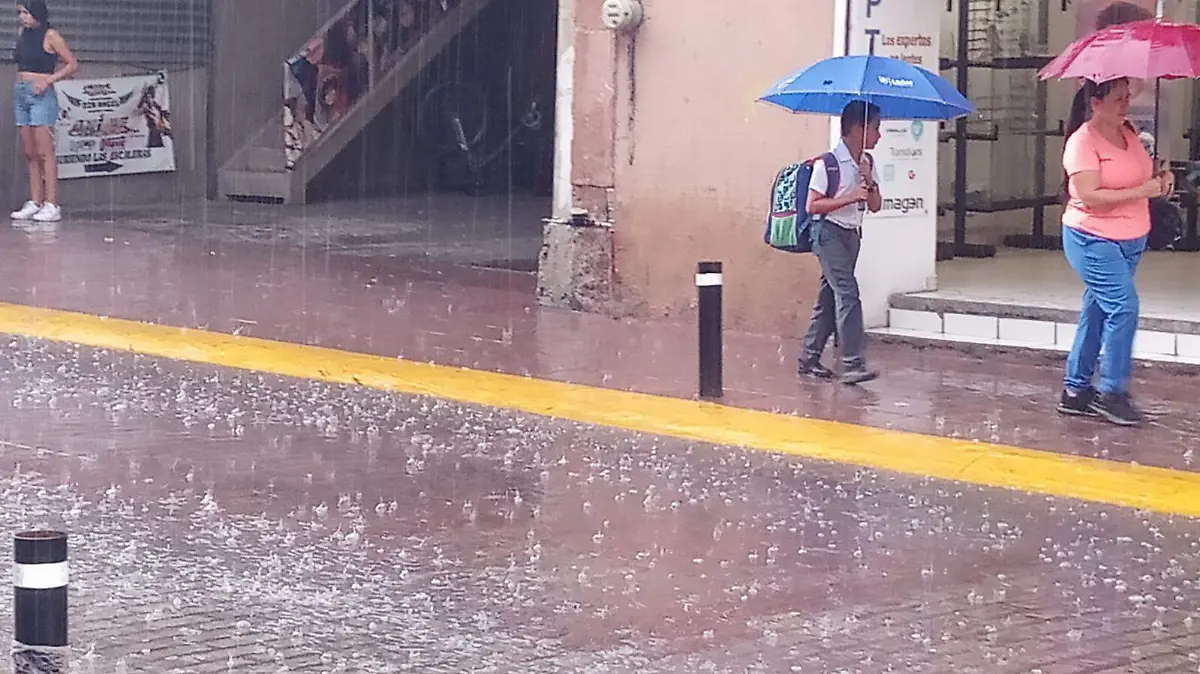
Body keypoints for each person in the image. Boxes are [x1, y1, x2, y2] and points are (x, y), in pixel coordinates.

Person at [1057, 77, 1171, 426]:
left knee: (1097, 310)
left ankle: (1075, 390)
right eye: (1118, 99)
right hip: (1092, 237)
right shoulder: (1082, 142)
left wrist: (1162, 180)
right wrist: (1143, 190)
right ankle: (1112, 391)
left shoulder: (1131, 135)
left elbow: (1144, 176)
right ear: (1096, 102)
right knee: (1123, 308)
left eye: (1127, 98)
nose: (1126, 105)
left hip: (1131, 238)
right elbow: (1089, 195)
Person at [798, 100, 883, 385]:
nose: (878, 136)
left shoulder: (867, 163)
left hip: (851, 235)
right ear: (857, 129)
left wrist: (868, 181)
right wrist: (851, 197)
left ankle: (808, 358)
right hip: (828, 233)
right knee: (847, 293)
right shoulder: (828, 163)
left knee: (828, 297)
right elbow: (812, 205)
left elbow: (875, 205)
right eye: (875, 128)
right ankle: (853, 363)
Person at [10, 0, 76, 224]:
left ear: (37, 13)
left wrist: (48, 80)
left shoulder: (50, 35)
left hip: (41, 94)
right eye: (20, 12)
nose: (22, 17)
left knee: (44, 151)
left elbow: (72, 64)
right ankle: (35, 201)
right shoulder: (22, 33)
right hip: (21, 93)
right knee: (30, 152)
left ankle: (52, 204)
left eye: (26, 12)